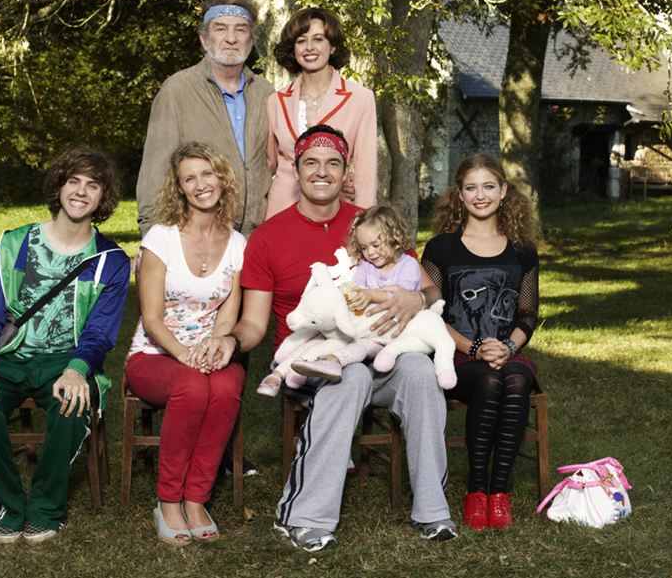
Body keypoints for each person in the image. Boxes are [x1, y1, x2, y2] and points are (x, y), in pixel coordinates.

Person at [198, 124, 456, 552]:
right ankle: (304, 516)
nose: (322, 171)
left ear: (345, 172)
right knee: (348, 375)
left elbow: (429, 289)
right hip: (315, 362)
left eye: (333, 163)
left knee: (418, 368)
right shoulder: (268, 237)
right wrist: (230, 340)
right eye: (311, 163)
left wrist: (417, 297)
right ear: (295, 170)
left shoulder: (371, 225)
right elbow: (256, 324)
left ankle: (433, 509)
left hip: (385, 352)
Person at [0, 147, 129, 544]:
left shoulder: (111, 259)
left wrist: (77, 370)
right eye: (74, 181)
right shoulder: (15, 243)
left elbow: (99, 333)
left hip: (66, 361)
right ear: (59, 186)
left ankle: (47, 507)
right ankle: (12, 505)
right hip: (10, 357)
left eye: (93, 185)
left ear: (103, 197)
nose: (82, 192)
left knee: (73, 402)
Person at [125, 142, 247, 545]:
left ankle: (197, 498)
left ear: (222, 178)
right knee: (192, 386)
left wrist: (216, 344)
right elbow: (152, 318)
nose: (200, 184)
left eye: (207, 174)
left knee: (229, 384)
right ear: (179, 189)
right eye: (189, 179)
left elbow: (229, 313)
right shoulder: (160, 238)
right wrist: (186, 356)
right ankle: (168, 501)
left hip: (207, 352)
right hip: (156, 354)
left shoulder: (238, 244)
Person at [421, 153, 540, 531]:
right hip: (455, 353)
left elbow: (527, 315)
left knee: (516, 378)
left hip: (508, 352)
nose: (480, 195)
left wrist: (509, 348)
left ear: (504, 191)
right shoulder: (441, 248)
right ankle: (475, 490)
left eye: (489, 186)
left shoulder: (522, 249)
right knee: (489, 381)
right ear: (459, 194)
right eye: (471, 188)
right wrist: (472, 348)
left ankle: (499, 492)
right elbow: (432, 312)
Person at [136, 0, 275, 237]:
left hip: (258, 239)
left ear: (251, 40)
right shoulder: (177, 90)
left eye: (241, 30)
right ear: (204, 39)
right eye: (220, 29)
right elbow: (154, 174)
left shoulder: (266, 93)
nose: (231, 38)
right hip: (199, 238)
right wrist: (153, 238)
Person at [256, 204, 422, 394]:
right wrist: (348, 295)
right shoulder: (367, 266)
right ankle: (280, 373)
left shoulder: (408, 265)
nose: (371, 253)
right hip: (358, 325)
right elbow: (355, 287)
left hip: (383, 334)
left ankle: (331, 362)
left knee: (358, 346)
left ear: (394, 236)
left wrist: (369, 295)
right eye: (364, 248)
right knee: (320, 336)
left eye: (376, 245)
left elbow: (401, 296)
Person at [264, 7, 378, 218]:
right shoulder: (275, 101)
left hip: (335, 211)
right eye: (301, 41)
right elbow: (268, 166)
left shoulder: (360, 98)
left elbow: (365, 175)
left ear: (332, 46)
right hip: (282, 210)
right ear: (293, 48)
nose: (309, 47)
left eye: (318, 39)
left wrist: (365, 224)